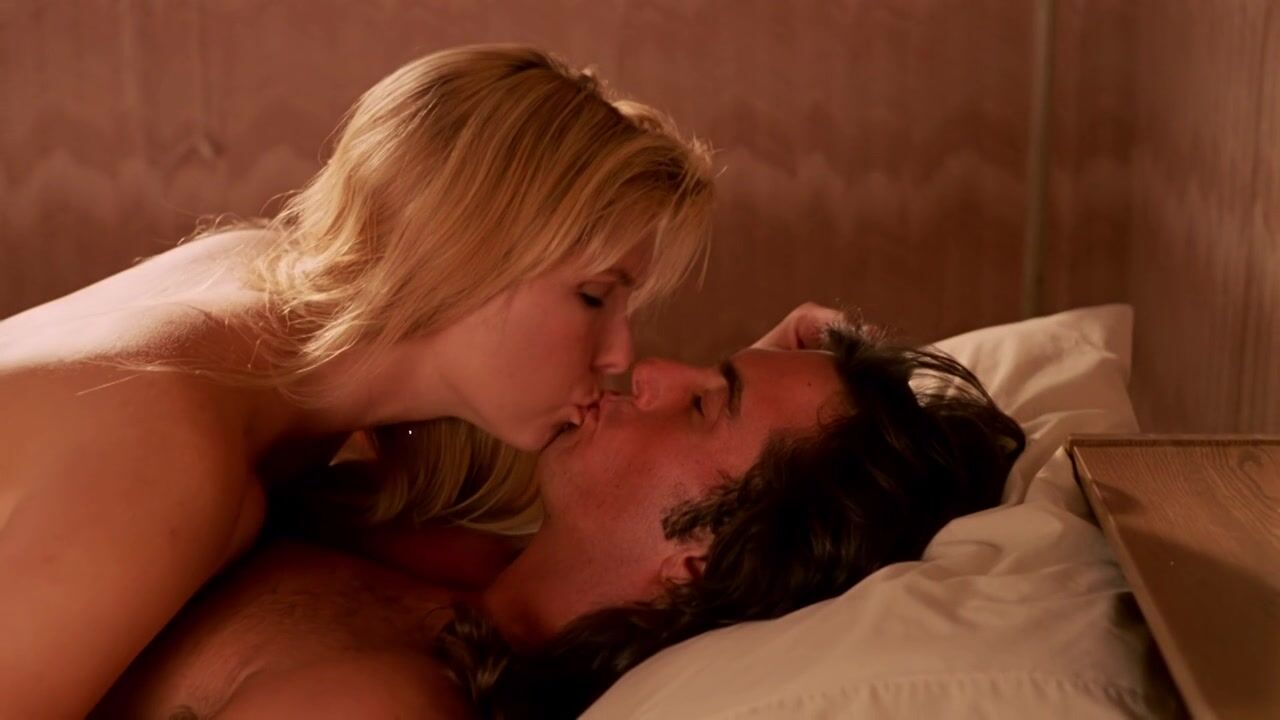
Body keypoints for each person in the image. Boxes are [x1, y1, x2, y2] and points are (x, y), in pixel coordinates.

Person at [0, 44, 714, 719]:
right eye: (593, 296)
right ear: (468, 251)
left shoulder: (255, 297)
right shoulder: (169, 453)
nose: (620, 355)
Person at [91, 314, 1025, 719]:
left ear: (700, 560)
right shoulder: (458, 550)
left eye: (704, 403)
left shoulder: (394, 702)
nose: (645, 368)